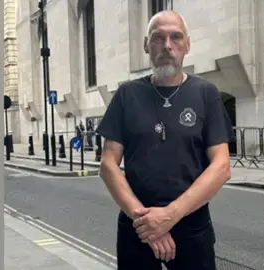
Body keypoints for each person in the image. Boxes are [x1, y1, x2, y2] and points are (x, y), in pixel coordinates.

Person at [96, 10, 234, 270]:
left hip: (192, 228)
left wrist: (169, 217)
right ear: (147, 45)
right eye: (158, 38)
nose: (167, 45)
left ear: (187, 44)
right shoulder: (127, 94)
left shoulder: (206, 93)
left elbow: (221, 167)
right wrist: (149, 225)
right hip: (137, 228)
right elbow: (108, 165)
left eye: (176, 37)